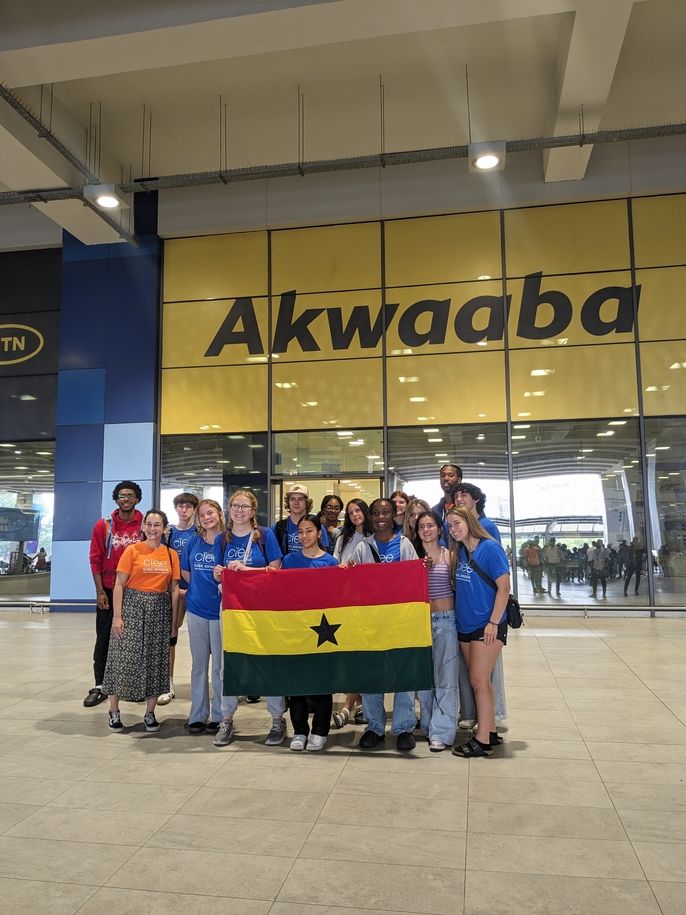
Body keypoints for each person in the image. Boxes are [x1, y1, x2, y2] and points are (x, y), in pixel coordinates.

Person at [212, 489, 284, 748]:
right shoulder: (223, 539)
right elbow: (218, 577)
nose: (239, 510)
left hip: (262, 610)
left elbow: (276, 569)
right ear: (229, 509)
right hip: (232, 611)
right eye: (235, 506)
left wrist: (247, 570)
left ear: (254, 512)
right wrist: (219, 573)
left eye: (244, 506)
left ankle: (277, 718)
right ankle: (226, 718)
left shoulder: (265, 536)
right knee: (228, 663)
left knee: (267, 661)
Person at [102, 509, 179, 732]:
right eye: (149, 524)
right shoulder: (132, 550)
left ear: (164, 528)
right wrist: (117, 616)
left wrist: (173, 622)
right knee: (121, 656)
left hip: (159, 610)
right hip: (132, 607)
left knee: (155, 660)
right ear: (143, 526)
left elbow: (173, 589)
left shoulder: (170, 554)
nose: (153, 529)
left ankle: (150, 713)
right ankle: (114, 711)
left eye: (158, 525)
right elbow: (118, 584)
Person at [352, 498, 419, 752]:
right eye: (376, 513)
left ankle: (403, 727)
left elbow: (414, 579)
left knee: (402, 673)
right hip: (372, 622)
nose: (381, 517)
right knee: (372, 674)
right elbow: (355, 585)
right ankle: (374, 726)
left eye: (386, 512)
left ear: (394, 516)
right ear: (371, 517)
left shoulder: (405, 545)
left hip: (400, 620)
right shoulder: (362, 548)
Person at [447, 506, 509, 758]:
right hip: (465, 626)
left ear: (469, 521)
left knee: (478, 680)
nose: (454, 529)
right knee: (482, 682)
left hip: (487, 626)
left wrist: (493, 622)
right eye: (450, 525)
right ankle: (490, 730)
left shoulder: (489, 548)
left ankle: (482, 741)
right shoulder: (461, 551)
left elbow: (504, 588)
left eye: (457, 523)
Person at [85, 481, 143, 708]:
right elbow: (95, 559)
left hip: (137, 590)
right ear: (116, 499)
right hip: (109, 589)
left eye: (130, 495)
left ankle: (134, 686)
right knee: (105, 638)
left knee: (136, 639)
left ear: (137, 498)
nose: (125, 499)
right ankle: (100, 686)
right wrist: (100, 591)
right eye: (121, 495)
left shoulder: (144, 525)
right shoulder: (104, 526)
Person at [282, 514, 338, 751]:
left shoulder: (331, 562)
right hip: (296, 627)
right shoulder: (289, 560)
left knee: (321, 681)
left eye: (309, 531)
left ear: (319, 533)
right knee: (296, 683)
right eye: (300, 531)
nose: (304, 536)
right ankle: (300, 730)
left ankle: (320, 730)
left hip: (323, 629)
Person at [414, 511, 458, 752]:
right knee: (425, 679)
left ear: (439, 529)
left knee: (446, 679)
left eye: (431, 525)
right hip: (421, 623)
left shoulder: (449, 557)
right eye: (422, 526)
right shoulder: (413, 558)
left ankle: (442, 731)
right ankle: (429, 725)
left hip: (446, 622)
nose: (426, 530)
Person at [181, 499, 225, 735]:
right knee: (199, 666)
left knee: (219, 667)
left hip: (220, 612)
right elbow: (186, 570)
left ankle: (219, 715)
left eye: (210, 513)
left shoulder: (227, 541)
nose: (206, 517)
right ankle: (197, 715)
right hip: (196, 610)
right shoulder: (193, 541)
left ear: (219, 513)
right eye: (202, 515)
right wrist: (199, 588)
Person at [331, 498, 373, 728]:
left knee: (365, 656)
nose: (355, 514)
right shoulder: (343, 538)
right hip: (346, 602)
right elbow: (335, 566)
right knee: (352, 656)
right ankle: (355, 705)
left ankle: (352, 706)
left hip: (369, 604)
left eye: (358, 510)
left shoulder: (376, 537)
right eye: (351, 512)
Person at [158, 491, 199, 705]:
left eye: (188, 507)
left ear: (194, 509)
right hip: (173, 591)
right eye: (180, 506)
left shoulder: (200, 533)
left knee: (205, 640)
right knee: (170, 638)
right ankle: (168, 684)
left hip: (196, 591)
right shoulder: (168, 534)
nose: (184, 510)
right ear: (176, 509)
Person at [273, 483, 329, 556]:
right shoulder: (277, 527)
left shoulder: (318, 528)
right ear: (288, 502)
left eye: (301, 499)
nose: (296, 503)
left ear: (307, 502)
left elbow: (324, 556)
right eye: (292, 499)